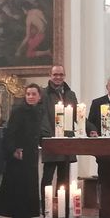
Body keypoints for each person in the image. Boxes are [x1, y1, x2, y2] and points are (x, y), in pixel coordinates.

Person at [0, 83, 44, 218]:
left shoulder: (38, 111)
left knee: (29, 185)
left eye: (33, 94)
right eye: (28, 94)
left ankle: (26, 216)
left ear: (39, 96)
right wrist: (15, 149)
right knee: (18, 187)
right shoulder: (18, 111)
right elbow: (11, 132)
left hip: (31, 154)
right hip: (19, 154)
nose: (30, 96)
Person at [40, 66, 78, 207]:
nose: (58, 77)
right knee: (48, 176)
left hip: (66, 141)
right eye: (55, 74)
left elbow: (77, 115)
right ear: (50, 75)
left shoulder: (70, 94)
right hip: (51, 140)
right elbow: (42, 116)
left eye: (61, 74)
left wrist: (91, 129)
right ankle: (46, 207)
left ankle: (62, 208)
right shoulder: (43, 94)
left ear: (64, 75)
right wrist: (48, 135)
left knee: (64, 178)